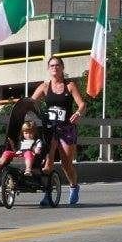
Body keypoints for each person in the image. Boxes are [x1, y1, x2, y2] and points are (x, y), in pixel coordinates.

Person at [32, 55, 87, 204]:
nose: (55, 68)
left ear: (62, 68)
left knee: (66, 164)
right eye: (52, 66)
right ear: (48, 69)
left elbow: (82, 104)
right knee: (47, 163)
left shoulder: (70, 85)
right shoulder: (44, 86)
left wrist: (77, 113)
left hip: (67, 128)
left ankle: (74, 186)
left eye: (57, 65)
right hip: (50, 128)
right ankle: (47, 195)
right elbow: (31, 102)